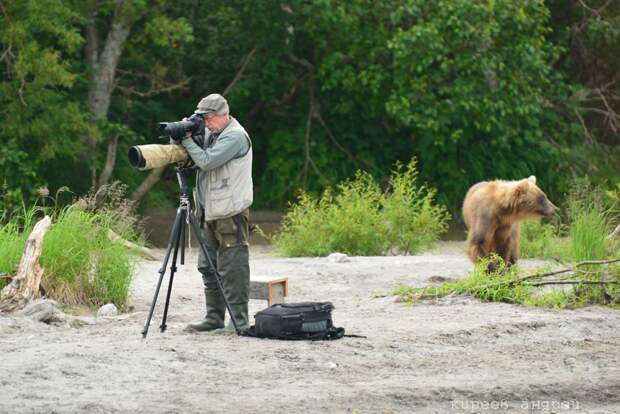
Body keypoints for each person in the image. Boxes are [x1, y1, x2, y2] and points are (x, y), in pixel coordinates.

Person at [180, 93, 253, 332]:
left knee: (232, 267)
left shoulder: (235, 136)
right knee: (208, 265)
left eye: (208, 119)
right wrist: (181, 136)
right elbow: (191, 157)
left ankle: (239, 321)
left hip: (230, 212)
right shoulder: (214, 132)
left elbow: (207, 161)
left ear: (223, 115)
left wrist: (189, 140)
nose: (206, 124)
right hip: (208, 210)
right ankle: (214, 318)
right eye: (202, 119)